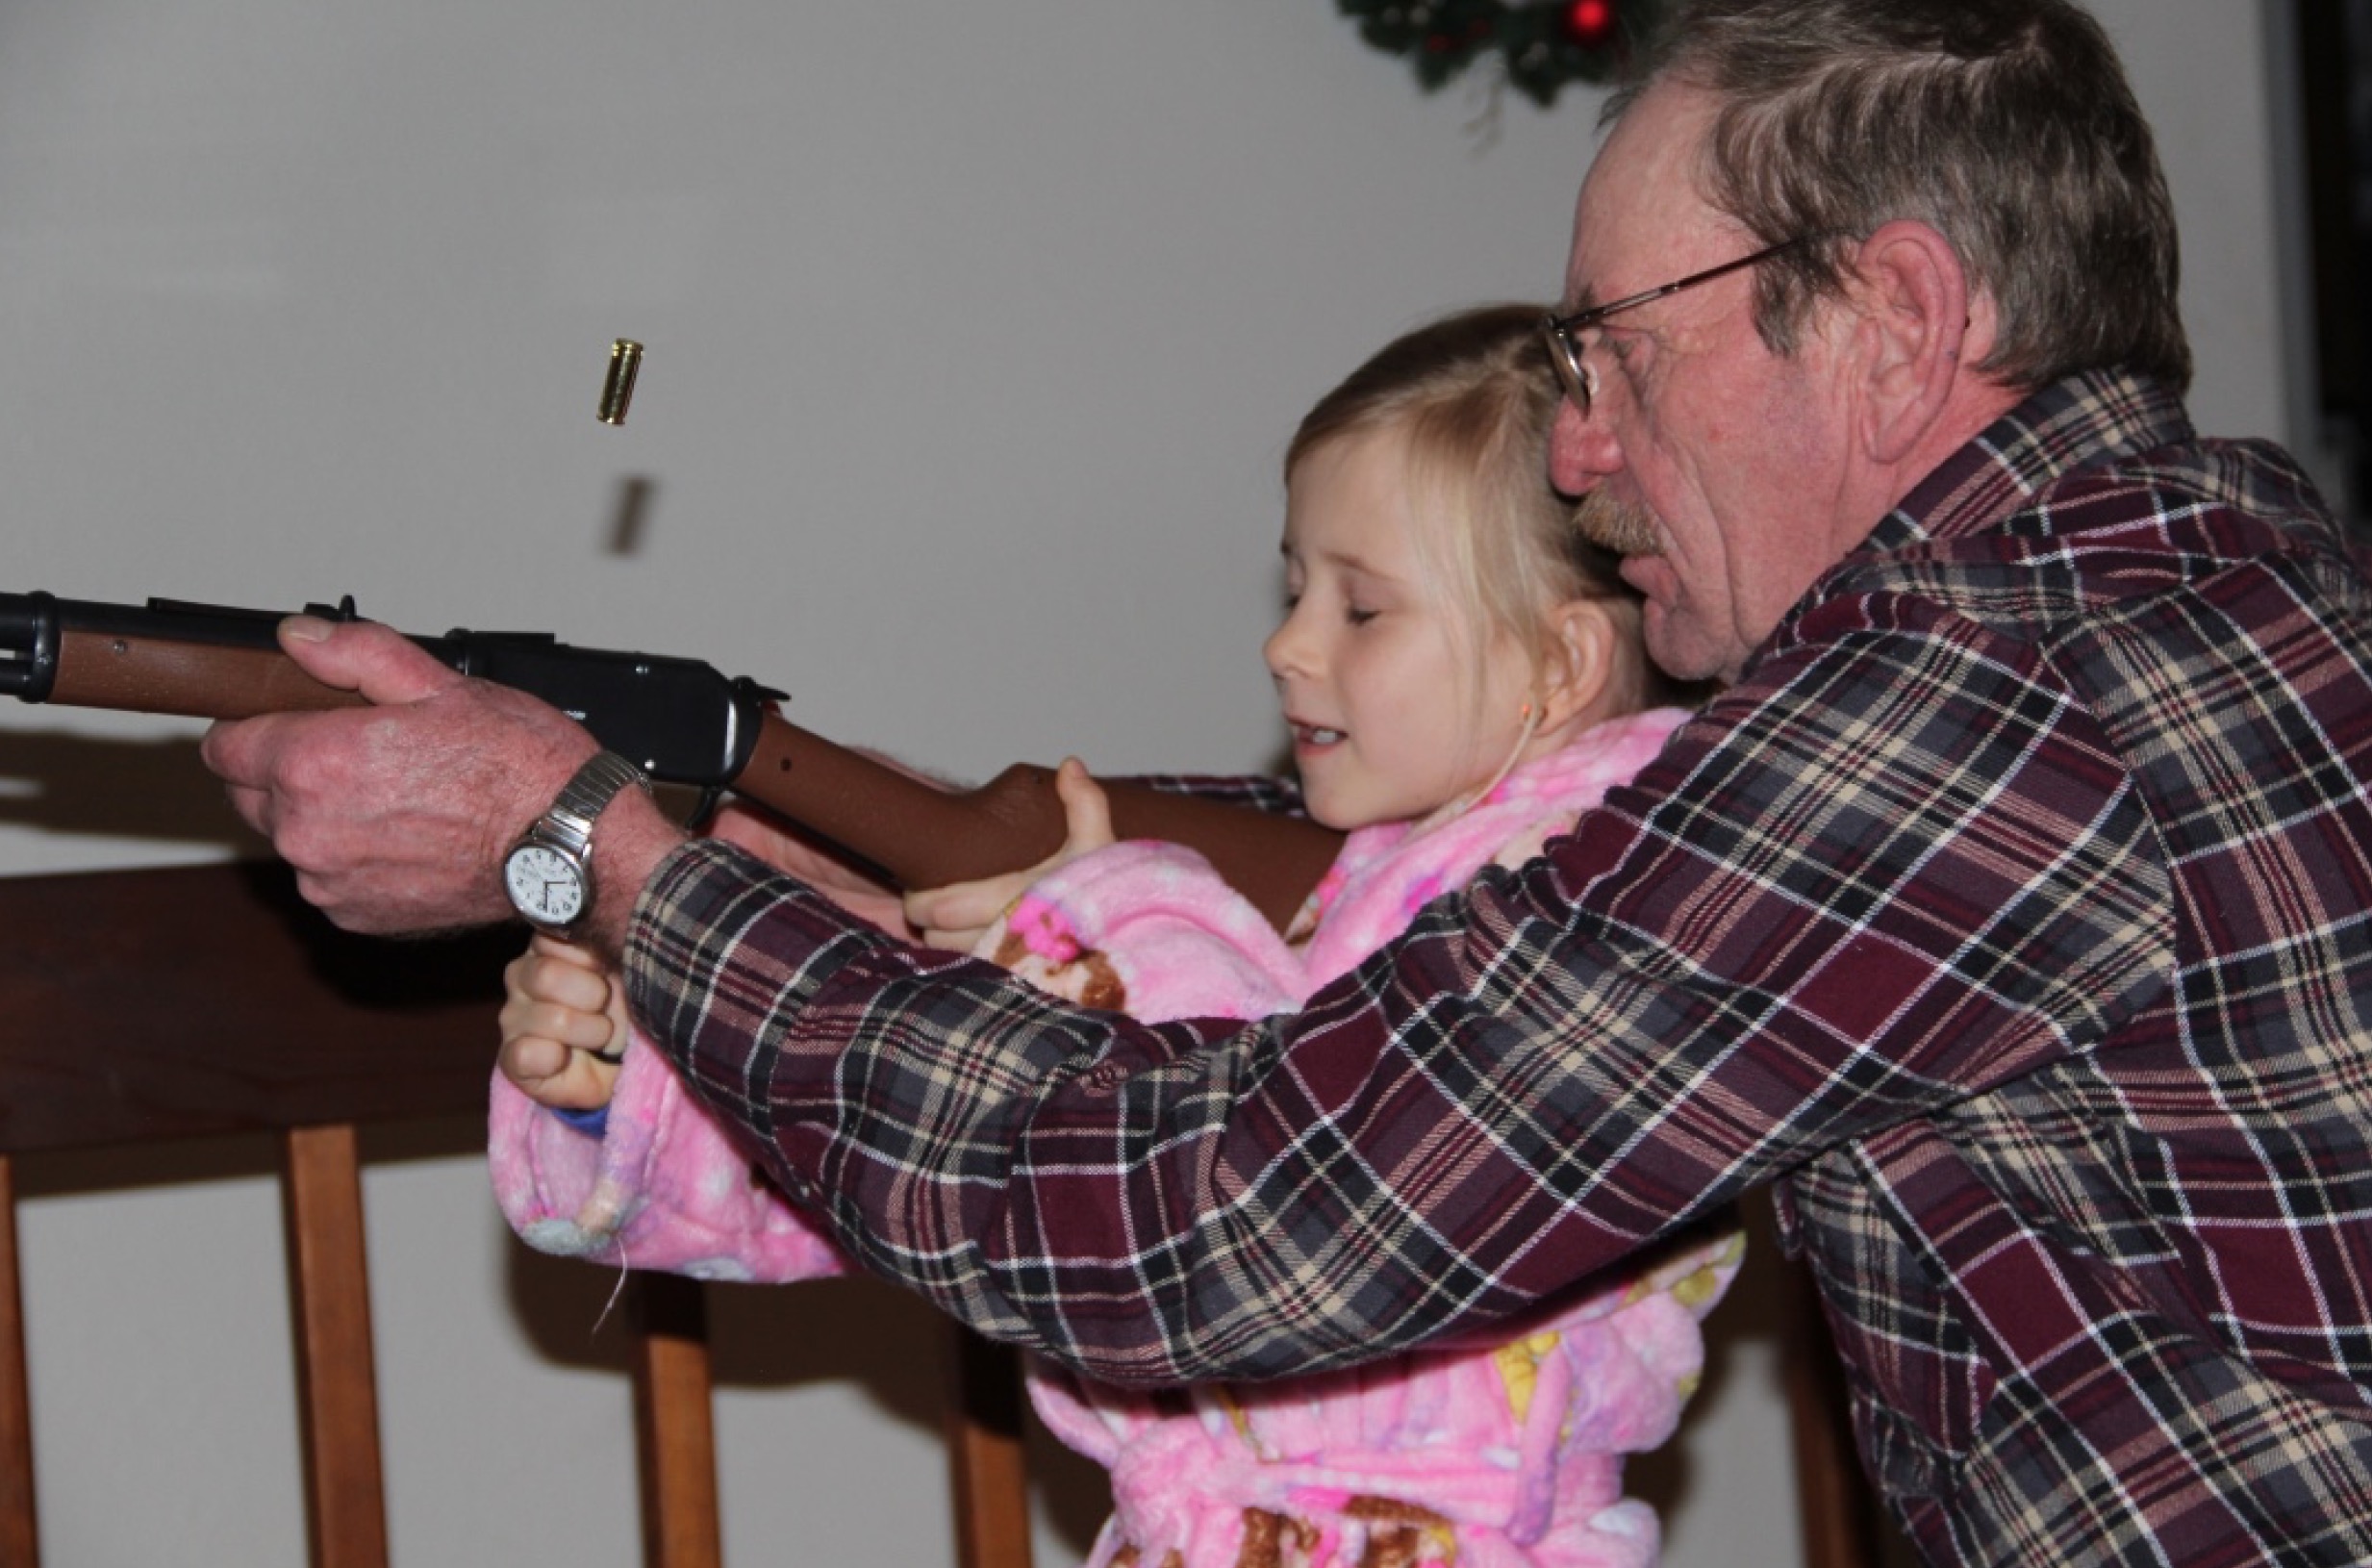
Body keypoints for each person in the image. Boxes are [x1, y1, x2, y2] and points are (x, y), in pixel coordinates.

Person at [200, 1, 2372, 1561]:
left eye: (1621, 343)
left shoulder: (1966, 691)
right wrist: (804, 847)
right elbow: (1416, 870)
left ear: (1890, 317)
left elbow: (1213, 1225)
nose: (1584, 441)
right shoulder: (2247, 559)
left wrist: (593, 841)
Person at [492, 305, 1743, 1568]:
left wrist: (1106, 914)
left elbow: (1246, 1172)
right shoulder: (1356, 898)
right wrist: (642, 1077)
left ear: (1559, 659)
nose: (1285, 643)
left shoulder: (1601, 922)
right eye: (1294, 585)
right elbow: (946, 1175)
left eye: (1361, 610)